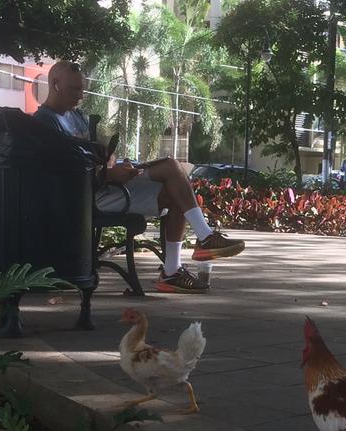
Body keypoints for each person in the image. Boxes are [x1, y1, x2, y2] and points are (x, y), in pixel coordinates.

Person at [33, 61, 244, 293]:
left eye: (82, 89)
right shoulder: (44, 122)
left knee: (176, 189)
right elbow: (65, 176)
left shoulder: (75, 116)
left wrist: (111, 160)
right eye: (75, 89)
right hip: (86, 197)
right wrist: (110, 175)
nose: (81, 95)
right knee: (172, 167)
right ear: (55, 85)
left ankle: (173, 270)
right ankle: (203, 240)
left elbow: (95, 153)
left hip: (103, 185)